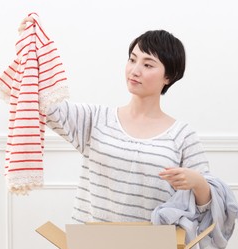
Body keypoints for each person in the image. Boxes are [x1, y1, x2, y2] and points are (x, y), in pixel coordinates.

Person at [18, 18, 214, 223]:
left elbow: (209, 208)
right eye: (132, 60)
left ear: (169, 76)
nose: (135, 70)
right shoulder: (96, 119)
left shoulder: (182, 136)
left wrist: (198, 182)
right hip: (91, 241)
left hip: (153, 243)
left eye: (148, 64)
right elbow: (41, 103)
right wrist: (30, 49)